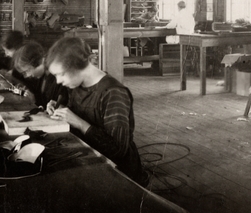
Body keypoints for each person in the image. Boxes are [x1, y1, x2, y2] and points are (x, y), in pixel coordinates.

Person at [45, 37, 148, 186]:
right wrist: (61, 109)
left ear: (78, 66)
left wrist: (79, 123)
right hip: (90, 160)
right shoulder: (76, 86)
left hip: (119, 174)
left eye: (61, 74)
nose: (58, 81)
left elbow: (118, 150)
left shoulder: (113, 93)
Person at [10, 41, 64, 107]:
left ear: (37, 62)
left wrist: (34, 101)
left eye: (26, 71)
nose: (27, 76)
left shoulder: (56, 80)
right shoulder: (41, 77)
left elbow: (50, 106)